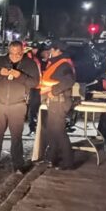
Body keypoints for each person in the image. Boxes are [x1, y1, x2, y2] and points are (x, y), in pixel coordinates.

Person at [0, 41, 40, 173]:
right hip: (0, 104)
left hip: (18, 105)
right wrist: (0, 73)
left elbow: (34, 82)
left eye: (18, 54)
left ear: (23, 51)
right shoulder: (1, 61)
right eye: (12, 53)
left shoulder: (30, 63)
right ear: (8, 51)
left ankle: (18, 164)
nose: (15, 56)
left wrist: (19, 76)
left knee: (16, 136)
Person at [39, 40, 76, 170]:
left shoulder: (63, 64)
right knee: (52, 131)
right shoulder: (56, 63)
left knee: (59, 132)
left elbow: (69, 81)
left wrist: (53, 91)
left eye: (51, 50)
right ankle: (52, 158)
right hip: (55, 101)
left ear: (57, 50)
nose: (49, 52)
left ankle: (68, 162)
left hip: (59, 101)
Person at [26, 43, 48, 135]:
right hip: (34, 87)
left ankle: (41, 128)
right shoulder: (29, 58)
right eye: (33, 48)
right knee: (33, 108)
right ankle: (33, 128)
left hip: (41, 87)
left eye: (36, 49)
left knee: (41, 108)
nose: (35, 50)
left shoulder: (38, 59)